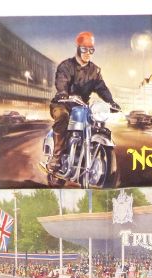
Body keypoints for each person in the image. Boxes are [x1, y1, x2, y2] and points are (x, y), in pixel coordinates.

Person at [48, 31, 120, 172]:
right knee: (62, 116)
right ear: (78, 48)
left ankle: (87, 154)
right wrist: (63, 93)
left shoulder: (95, 70)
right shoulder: (66, 66)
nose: (88, 53)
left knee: (97, 123)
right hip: (63, 103)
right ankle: (56, 157)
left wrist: (111, 101)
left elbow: (101, 87)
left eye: (91, 50)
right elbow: (62, 81)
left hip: (83, 107)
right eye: (84, 49)